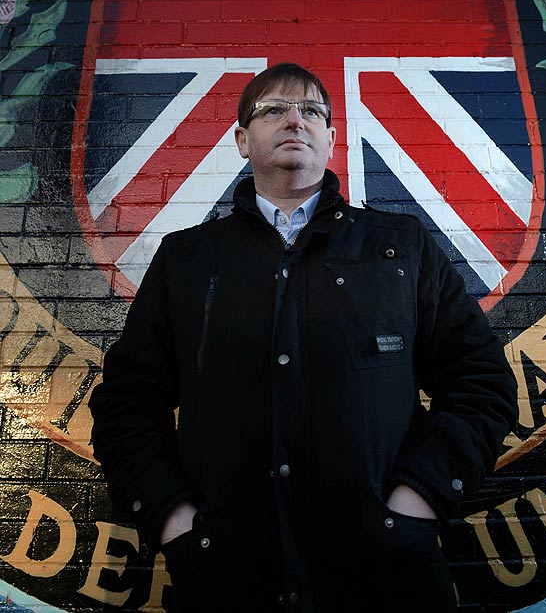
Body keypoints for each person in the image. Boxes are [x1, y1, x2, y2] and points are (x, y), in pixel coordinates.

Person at [89, 62, 518, 612]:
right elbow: (126, 404)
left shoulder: (400, 248)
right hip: (227, 583)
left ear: (331, 139)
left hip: (389, 581)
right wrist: (175, 519)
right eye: (273, 110)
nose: (295, 120)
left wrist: (418, 501)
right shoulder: (186, 260)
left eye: (311, 111)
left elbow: (481, 383)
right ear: (241, 140)